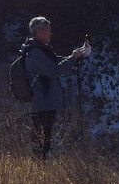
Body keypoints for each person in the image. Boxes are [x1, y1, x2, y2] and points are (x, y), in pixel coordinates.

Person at [19, 16, 90, 160]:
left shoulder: (41, 50)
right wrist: (73, 58)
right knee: (41, 143)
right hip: (42, 105)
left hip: (44, 104)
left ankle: (39, 167)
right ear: (39, 31)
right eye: (48, 30)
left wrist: (75, 56)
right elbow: (54, 70)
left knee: (43, 141)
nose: (50, 33)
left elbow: (56, 61)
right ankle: (38, 169)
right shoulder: (36, 53)